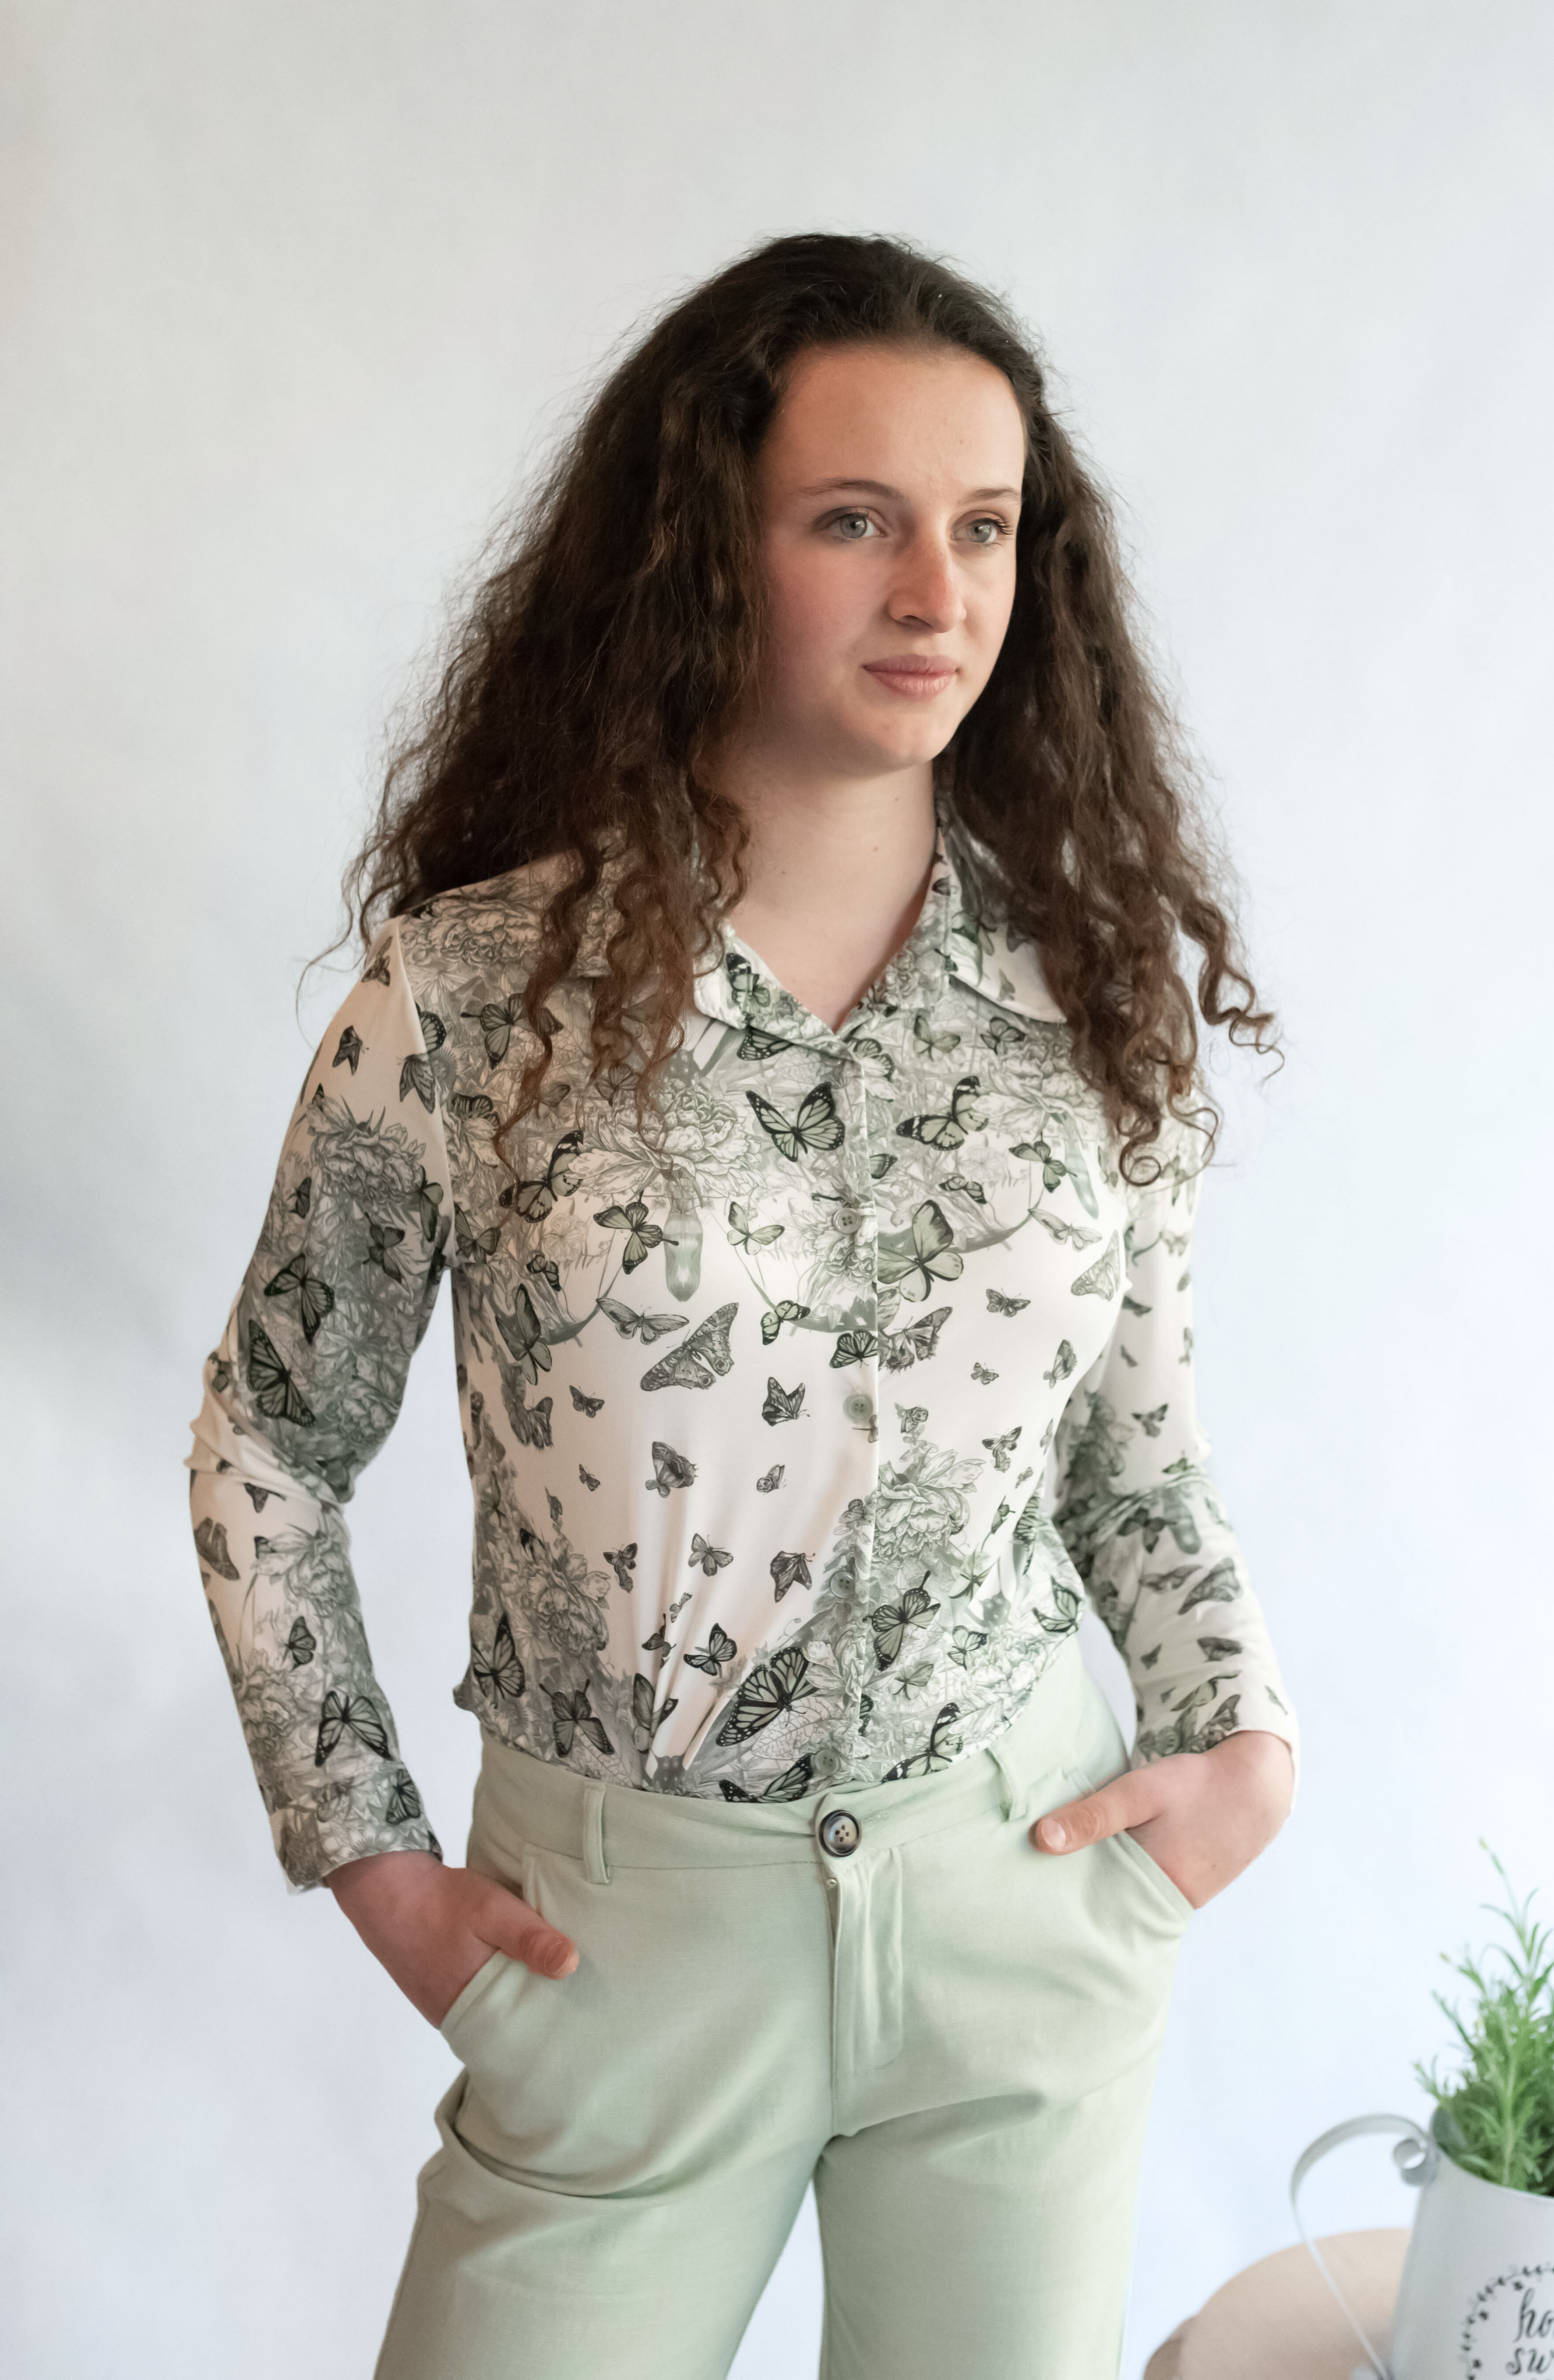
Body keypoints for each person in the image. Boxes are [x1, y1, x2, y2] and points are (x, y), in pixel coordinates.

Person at [187, 231, 1299, 2380]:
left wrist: (1236, 1738)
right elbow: (270, 1440)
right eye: (853, 520)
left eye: (984, 527)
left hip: (1018, 1905)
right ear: (705, 548)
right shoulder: (475, 997)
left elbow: (1128, 1443)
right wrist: (374, 1859)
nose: (935, 592)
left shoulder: (1090, 994)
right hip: (617, 1950)